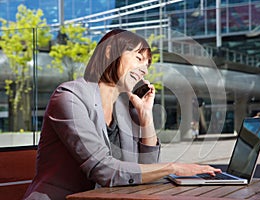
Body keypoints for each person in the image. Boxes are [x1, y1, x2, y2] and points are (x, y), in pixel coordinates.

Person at [23, 29, 221, 200]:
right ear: (110, 51)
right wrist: (173, 168)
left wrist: (146, 117)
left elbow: (144, 170)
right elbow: (103, 169)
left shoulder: (125, 109)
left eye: (147, 65)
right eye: (139, 58)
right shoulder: (69, 97)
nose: (144, 69)